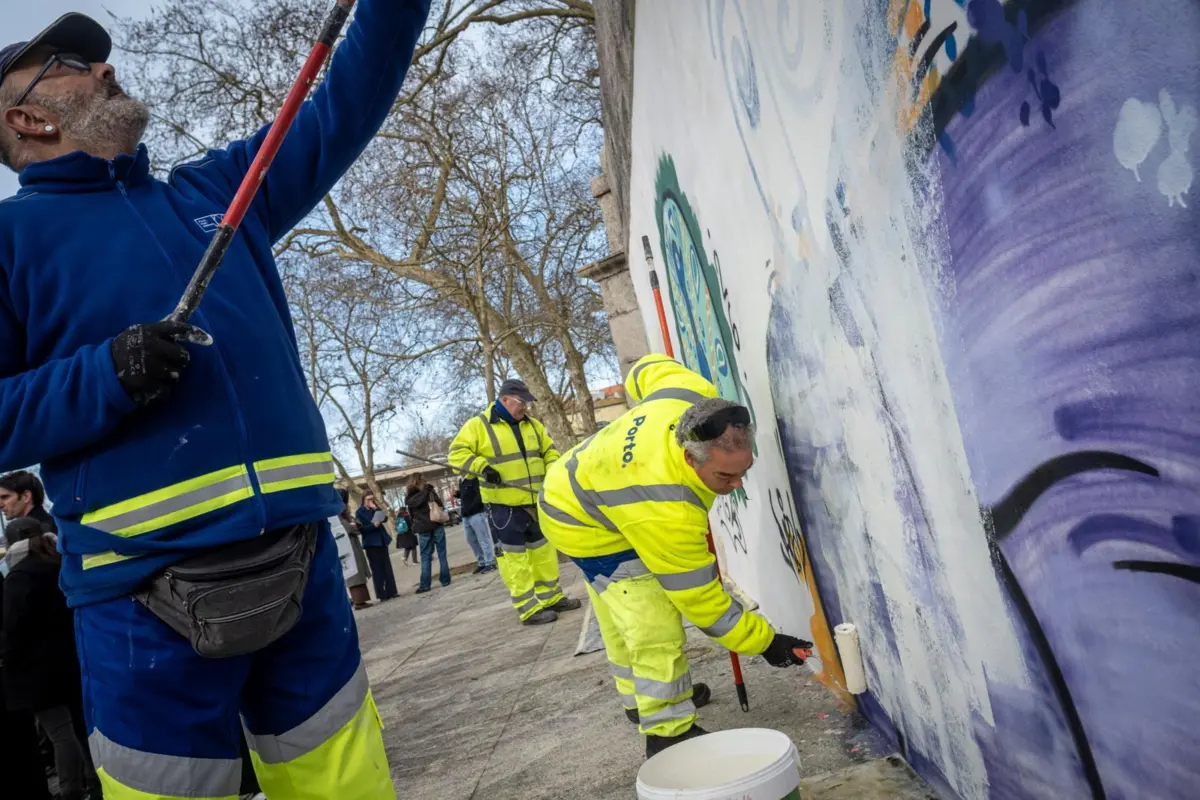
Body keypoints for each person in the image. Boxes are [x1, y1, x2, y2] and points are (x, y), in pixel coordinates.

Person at [0, 3, 432, 796]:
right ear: (26, 117)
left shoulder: (216, 190)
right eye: (69, 64)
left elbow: (344, 102)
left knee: (348, 782)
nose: (104, 67)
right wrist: (106, 375)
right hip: (139, 600)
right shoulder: (9, 242)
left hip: (302, 565)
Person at [539, 355, 814, 758]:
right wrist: (767, 642)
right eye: (725, 476)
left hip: (581, 482)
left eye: (744, 471)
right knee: (652, 623)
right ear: (689, 457)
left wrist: (639, 409)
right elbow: (703, 604)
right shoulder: (669, 509)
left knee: (618, 613)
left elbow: (646, 368)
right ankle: (667, 730)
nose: (737, 485)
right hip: (584, 523)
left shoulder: (691, 394)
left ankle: (638, 702)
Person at [449, 379, 581, 625]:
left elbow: (549, 451)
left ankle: (551, 598)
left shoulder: (533, 426)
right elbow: (456, 455)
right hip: (503, 507)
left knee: (543, 553)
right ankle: (528, 609)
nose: (525, 407)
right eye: (521, 402)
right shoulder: (478, 426)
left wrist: (552, 470)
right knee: (514, 559)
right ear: (505, 399)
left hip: (535, 501)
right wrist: (482, 468)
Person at [1, 518, 100, 799]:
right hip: (70, 660)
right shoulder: (59, 562)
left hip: (35, 671)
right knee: (82, 727)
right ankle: (95, 782)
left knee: (59, 732)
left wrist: (8, 660)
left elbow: (12, 627)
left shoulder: (19, 576)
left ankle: (70, 790)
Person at [405, 475, 451, 593]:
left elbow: (411, 514)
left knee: (425, 556)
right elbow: (440, 505)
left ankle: (425, 585)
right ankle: (445, 580)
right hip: (436, 524)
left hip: (422, 529)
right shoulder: (430, 491)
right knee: (442, 553)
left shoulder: (410, 497)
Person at [356, 492, 398, 602]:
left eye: (372, 499)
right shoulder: (359, 512)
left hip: (382, 541)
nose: (370, 501)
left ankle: (392, 591)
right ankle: (381, 594)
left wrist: (376, 508)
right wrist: (372, 526)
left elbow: (384, 518)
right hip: (371, 543)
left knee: (387, 567)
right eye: (368, 499)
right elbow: (361, 529)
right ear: (363, 500)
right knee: (377, 569)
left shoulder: (375, 508)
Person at [337, 488, 371, 610]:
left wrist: (355, 524)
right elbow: (345, 527)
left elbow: (353, 522)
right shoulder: (337, 512)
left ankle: (361, 599)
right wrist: (352, 526)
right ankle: (358, 600)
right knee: (354, 571)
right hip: (347, 544)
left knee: (358, 569)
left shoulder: (343, 511)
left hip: (352, 543)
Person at [456, 477, 496, 574]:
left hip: (477, 514)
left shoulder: (474, 479)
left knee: (483, 538)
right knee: (471, 539)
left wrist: (471, 508)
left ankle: (490, 562)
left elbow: (479, 495)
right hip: (466, 516)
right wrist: (458, 494)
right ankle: (482, 562)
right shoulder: (461, 481)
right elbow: (466, 496)